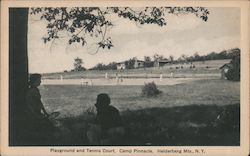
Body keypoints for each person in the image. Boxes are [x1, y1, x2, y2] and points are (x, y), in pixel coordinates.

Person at [26, 73, 55, 143]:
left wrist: (45, 113)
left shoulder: (36, 90)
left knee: (47, 127)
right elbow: (29, 105)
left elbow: (39, 102)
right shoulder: (31, 91)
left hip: (37, 113)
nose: (40, 81)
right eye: (39, 80)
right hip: (33, 114)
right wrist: (36, 115)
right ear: (34, 81)